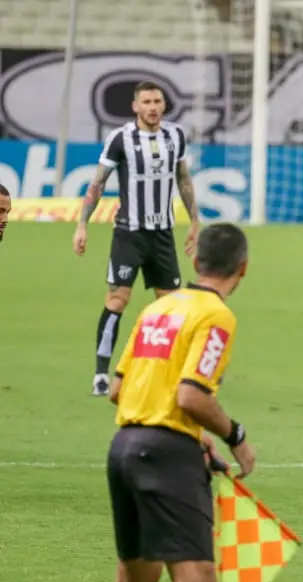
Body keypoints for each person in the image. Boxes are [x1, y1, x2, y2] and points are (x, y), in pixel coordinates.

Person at [88, 223, 256, 582]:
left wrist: (192, 436)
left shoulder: (157, 309)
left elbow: (119, 388)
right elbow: (190, 395)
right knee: (197, 581)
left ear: (196, 261)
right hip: (165, 456)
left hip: (124, 447)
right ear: (242, 269)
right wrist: (234, 436)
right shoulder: (216, 316)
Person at [76, 80, 200, 397]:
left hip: (163, 235)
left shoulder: (176, 136)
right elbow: (98, 183)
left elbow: (184, 179)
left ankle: (172, 373)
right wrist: (82, 224)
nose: (152, 107)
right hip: (129, 234)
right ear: (135, 107)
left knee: (170, 306)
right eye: (146, 102)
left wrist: (195, 221)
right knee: (118, 299)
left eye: (157, 101)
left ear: (164, 105)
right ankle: (101, 374)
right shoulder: (120, 139)